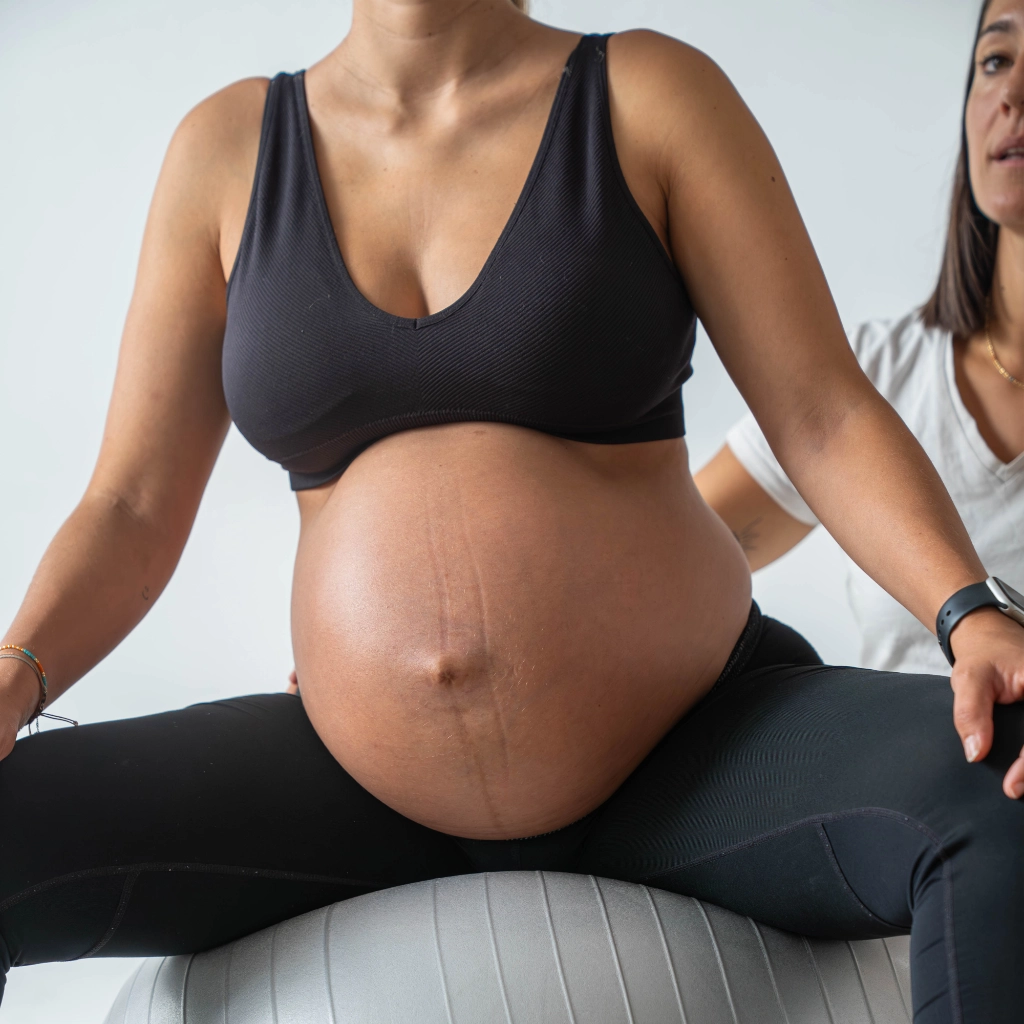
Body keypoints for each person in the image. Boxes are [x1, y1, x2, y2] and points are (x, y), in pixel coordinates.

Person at [0, 1, 1022, 1020]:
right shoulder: (225, 152)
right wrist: (15, 671)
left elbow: (821, 415)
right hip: (358, 778)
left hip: (694, 747)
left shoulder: (648, 96)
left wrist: (965, 611)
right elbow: (130, 502)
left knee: (1009, 783)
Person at [696, 1, 1024, 676]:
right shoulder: (871, 378)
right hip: (897, 778)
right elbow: (659, 565)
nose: (1014, 92)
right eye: (996, 60)